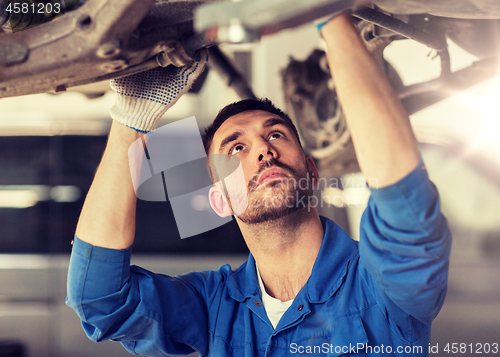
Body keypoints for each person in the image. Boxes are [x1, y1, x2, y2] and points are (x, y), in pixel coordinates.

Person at [66, 13, 452, 357]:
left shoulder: (377, 285)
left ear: (312, 171)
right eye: (236, 147)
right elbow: (101, 301)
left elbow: (404, 204)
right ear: (221, 201)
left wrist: (331, 15)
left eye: (277, 135)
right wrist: (129, 123)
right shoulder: (212, 308)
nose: (263, 150)